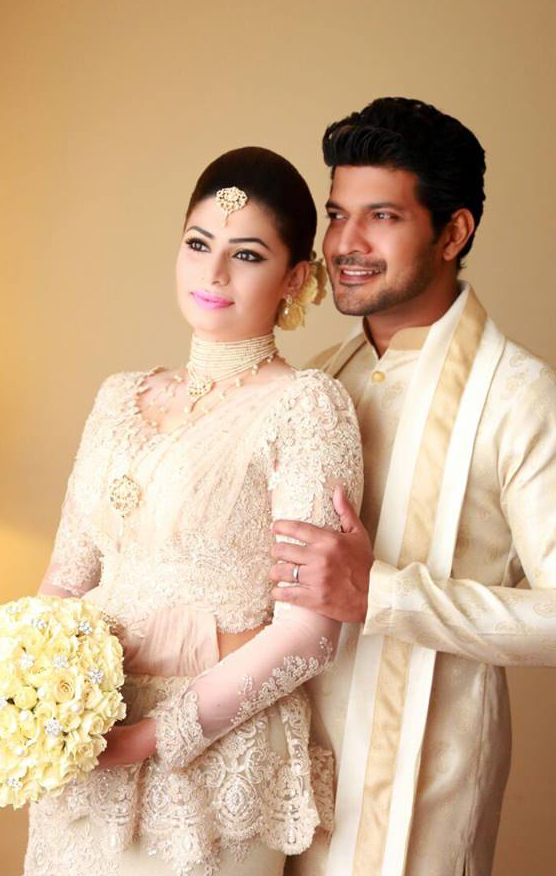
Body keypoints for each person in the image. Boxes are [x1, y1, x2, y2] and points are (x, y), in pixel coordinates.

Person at [22, 146, 363, 876]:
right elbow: (66, 578)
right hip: (87, 750)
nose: (213, 274)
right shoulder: (118, 397)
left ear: (295, 278)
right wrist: (28, 700)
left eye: (247, 255)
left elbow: (308, 633)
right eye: (199, 244)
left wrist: (154, 738)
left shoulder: (306, 407)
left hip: (214, 764)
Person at [271, 97, 556, 876]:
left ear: (453, 233)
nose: (345, 244)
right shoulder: (316, 381)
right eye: (338, 214)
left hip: (420, 810)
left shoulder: (519, 396)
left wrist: (382, 594)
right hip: (280, 796)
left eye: (383, 217)